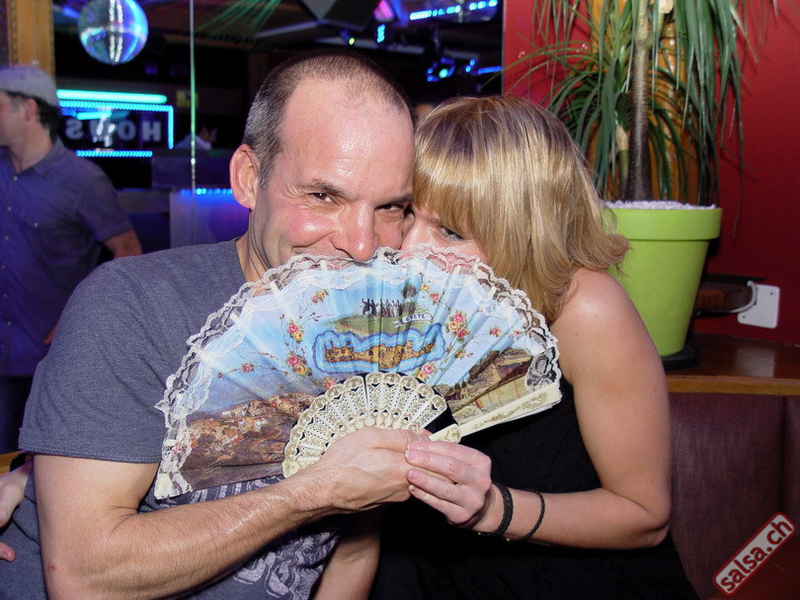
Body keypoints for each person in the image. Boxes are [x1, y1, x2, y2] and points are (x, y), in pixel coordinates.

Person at [0, 50, 436, 599]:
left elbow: (350, 549)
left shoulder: (380, 334)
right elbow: (87, 579)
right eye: (324, 196)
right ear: (249, 178)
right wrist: (313, 492)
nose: (363, 244)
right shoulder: (133, 307)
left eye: (390, 207)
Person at [371, 95, 698, 598]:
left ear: (522, 230)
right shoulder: (405, 299)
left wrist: (493, 508)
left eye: (451, 231)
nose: (410, 248)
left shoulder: (584, 310)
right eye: (408, 212)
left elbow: (644, 514)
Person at [0, 65, 142, 454]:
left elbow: (128, 251)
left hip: (47, 358)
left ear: (29, 109)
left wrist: (81, 316)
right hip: (4, 347)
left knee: (31, 466)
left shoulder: (81, 180)